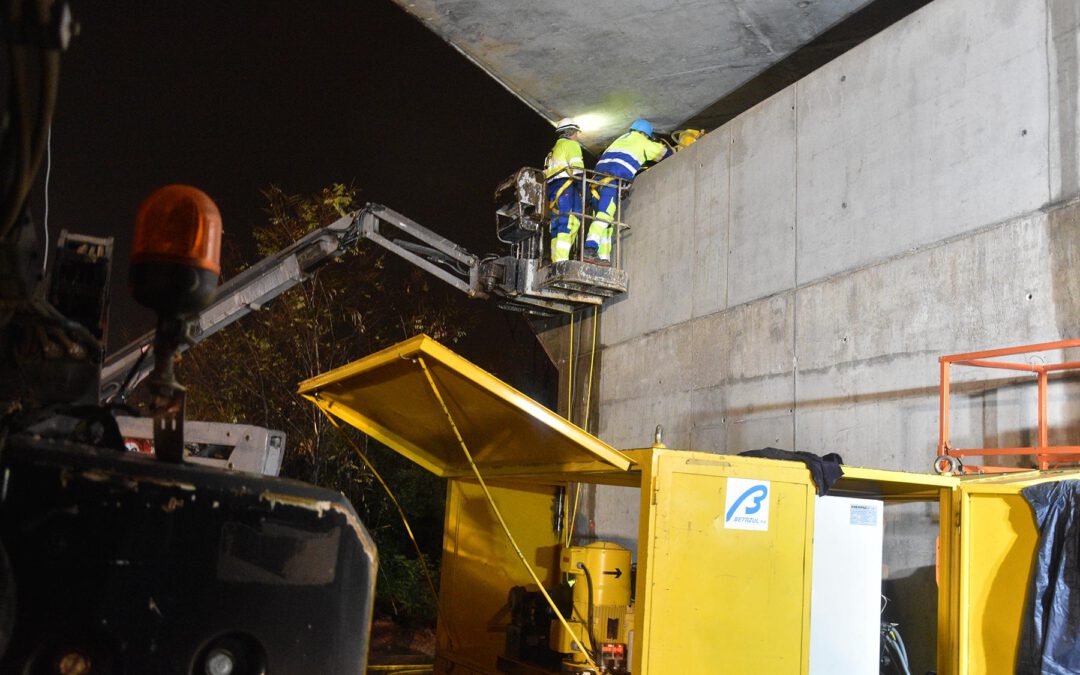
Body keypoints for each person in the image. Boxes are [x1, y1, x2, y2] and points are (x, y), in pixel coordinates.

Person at [585, 119, 670, 262]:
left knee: (606, 223)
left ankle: (602, 258)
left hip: (596, 184)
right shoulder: (643, 142)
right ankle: (590, 247)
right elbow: (663, 153)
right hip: (611, 182)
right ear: (645, 134)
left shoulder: (619, 140)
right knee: (605, 216)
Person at [544, 118, 585, 263]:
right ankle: (562, 260)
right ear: (572, 132)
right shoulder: (571, 145)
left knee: (556, 225)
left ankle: (556, 260)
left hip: (553, 191)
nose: (577, 136)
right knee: (570, 222)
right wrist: (584, 192)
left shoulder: (552, 151)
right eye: (576, 133)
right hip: (567, 187)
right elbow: (578, 171)